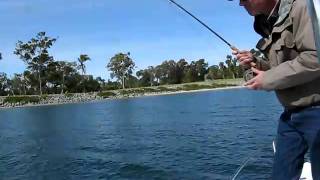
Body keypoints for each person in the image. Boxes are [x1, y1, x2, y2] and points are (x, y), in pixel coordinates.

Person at [233, 0, 320, 179]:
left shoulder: (303, 6)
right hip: (290, 116)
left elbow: (315, 57)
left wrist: (268, 79)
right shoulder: (268, 22)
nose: (241, 4)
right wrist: (255, 64)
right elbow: (283, 67)